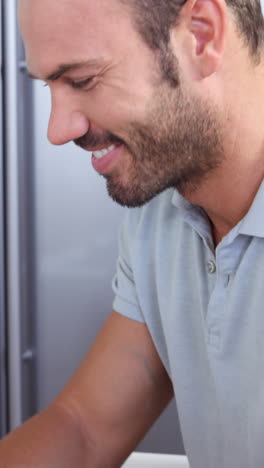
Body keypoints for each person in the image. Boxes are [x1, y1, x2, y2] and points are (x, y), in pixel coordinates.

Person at [1, 0, 264, 466]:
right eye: (50, 87)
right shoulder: (163, 213)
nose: (58, 130)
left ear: (201, 35)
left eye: (82, 80)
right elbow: (85, 427)